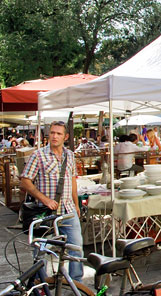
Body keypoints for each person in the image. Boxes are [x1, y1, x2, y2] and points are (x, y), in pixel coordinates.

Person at [19, 121, 84, 282]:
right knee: (41, 252)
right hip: (45, 212)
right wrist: (44, 199)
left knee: (76, 249)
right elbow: (25, 181)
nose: (54, 136)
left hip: (68, 211)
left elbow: (73, 181)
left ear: (66, 137)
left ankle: (77, 283)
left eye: (58, 134)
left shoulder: (69, 155)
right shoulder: (38, 155)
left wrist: (76, 205)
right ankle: (41, 284)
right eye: (52, 133)